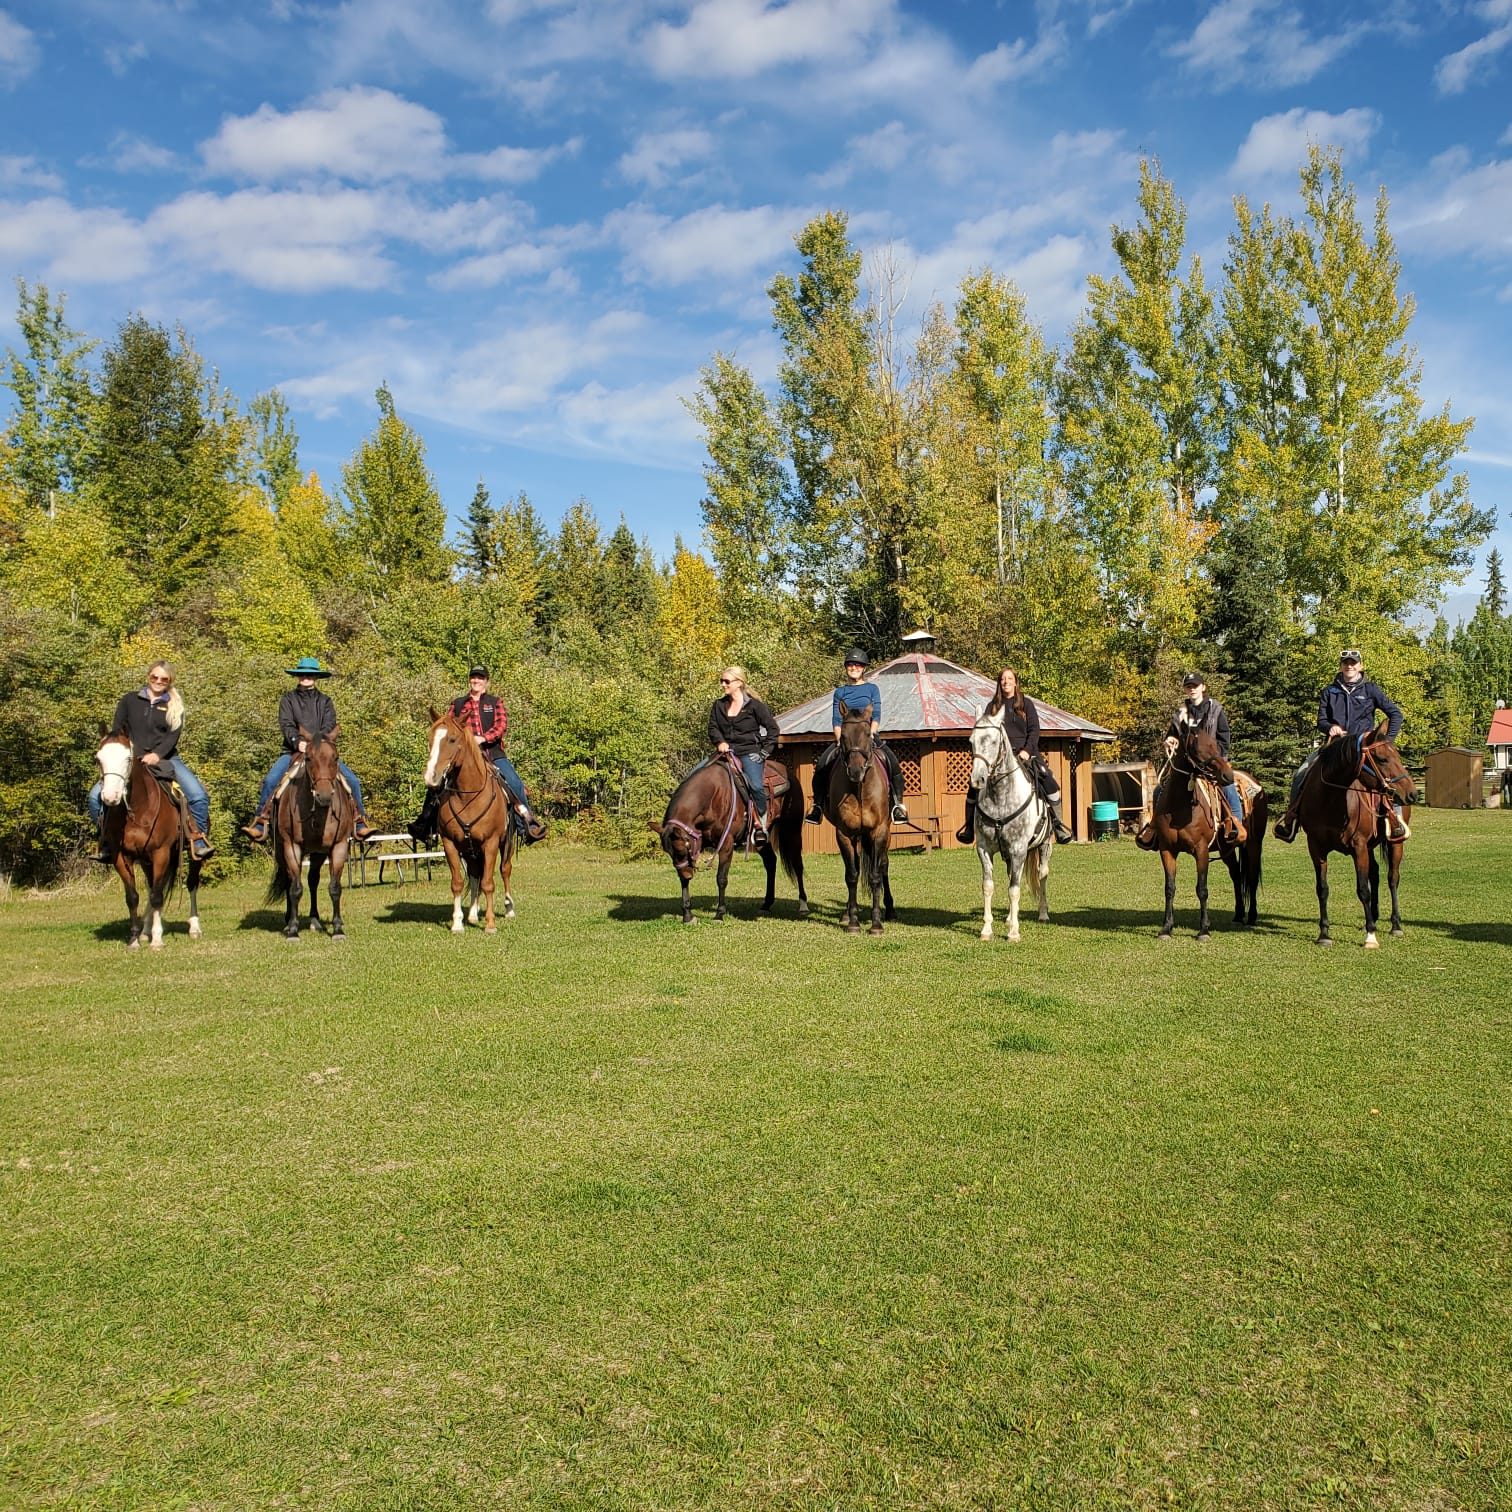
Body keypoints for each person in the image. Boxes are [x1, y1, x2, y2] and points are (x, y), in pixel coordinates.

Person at [1274, 648, 1409, 843]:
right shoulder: (1330, 691)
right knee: (1302, 771)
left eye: (1353, 663)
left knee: (1388, 774)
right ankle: (1291, 819)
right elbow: (1321, 720)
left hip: (1362, 749)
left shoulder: (1370, 689)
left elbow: (1396, 714)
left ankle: (1395, 818)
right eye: (1346, 663)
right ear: (1341, 666)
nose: (1349, 666)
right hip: (1335, 749)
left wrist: (1386, 741)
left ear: (1360, 666)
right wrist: (1330, 727)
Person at [89, 660, 215, 863]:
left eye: (164, 679)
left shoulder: (174, 706)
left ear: (170, 681)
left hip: (166, 759)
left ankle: (197, 840)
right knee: (94, 797)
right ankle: (106, 841)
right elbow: (118, 731)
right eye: (154, 677)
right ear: (148, 676)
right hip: (131, 760)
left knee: (198, 796)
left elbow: (173, 736)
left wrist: (156, 754)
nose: (158, 681)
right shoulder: (129, 700)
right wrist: (130, 753)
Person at [242, 656, 376, 842]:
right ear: (298, 676)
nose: (306, 677)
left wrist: (317, 745)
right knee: (271, 780)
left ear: (316, 677)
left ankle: (359, 821)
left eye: (310, 675)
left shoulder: (325, 701)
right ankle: (260, 821)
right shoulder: (288, 700)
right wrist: (297, 741)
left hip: (320, 754)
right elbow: (286, 724)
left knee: (353, 781)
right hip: (293, 751)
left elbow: (329, 724)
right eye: (303, 674)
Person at [408, 666, 547, 844]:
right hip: (465, 756)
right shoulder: (458, 704)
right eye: (474, 677)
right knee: (437, 782)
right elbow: (448, 726)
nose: (476, 681)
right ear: (469, 680)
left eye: (480, 678)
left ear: (486, 681)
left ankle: (527, 826)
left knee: (515, 784)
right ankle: (425, 825)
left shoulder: (495, 702)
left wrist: (483, 738)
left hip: (493, 753)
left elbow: (501, 726)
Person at [955, 668, 1074, 845]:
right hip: (999, 757)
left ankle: (1058, 826)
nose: (1006, 682)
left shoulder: (1026, 704)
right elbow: (986, 734)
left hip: (1026, 753)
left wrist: (1027, 750)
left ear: (1015, 682)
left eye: (1009, 678)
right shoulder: (992, 706)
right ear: (999, 683)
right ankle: (969, 828)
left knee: (1048, 779)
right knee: (975, 784)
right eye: (1003, 679)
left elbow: (1034, 730)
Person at [1136, 673, 1246, 849]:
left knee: (1228, 786)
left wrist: (1218, 759)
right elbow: (1172, 734)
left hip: (1211, 764)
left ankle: (1235, 825)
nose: (1192, 689)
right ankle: (1156, 830)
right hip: (1186, 767)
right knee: (1159, 790)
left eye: (1195, 686)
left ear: (1203, 687)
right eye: (1189, 686)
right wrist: (1169, 740)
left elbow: (1224, 737)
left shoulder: (1215, 709)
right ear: (1185, 690)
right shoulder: (1181, 713)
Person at [805, 648, 908, 824]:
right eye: (851, 665)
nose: (854, 668)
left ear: (864, 668)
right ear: (846, 667)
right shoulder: (840, 692)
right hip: (846, 737)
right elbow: (837, 720)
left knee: (893, 762)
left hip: (867, 735)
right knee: (822, 764)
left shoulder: (872, 689)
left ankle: (898, 805)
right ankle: (817, 805)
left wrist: (872, 733)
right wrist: (840, 739)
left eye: (858, 665)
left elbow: (876, 715)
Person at [708, 666, 779, 839]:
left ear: (739, 683)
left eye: (727, 681)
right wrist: (720, 742)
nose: (723, 684)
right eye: (721, 681)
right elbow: (713, 728)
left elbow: (773, 729)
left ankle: (761, 823)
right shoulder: (718, 705)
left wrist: (764, 753)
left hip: (749, 753)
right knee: (695, 774)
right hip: (724, 753)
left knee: (756, 786)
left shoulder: (755, 706)